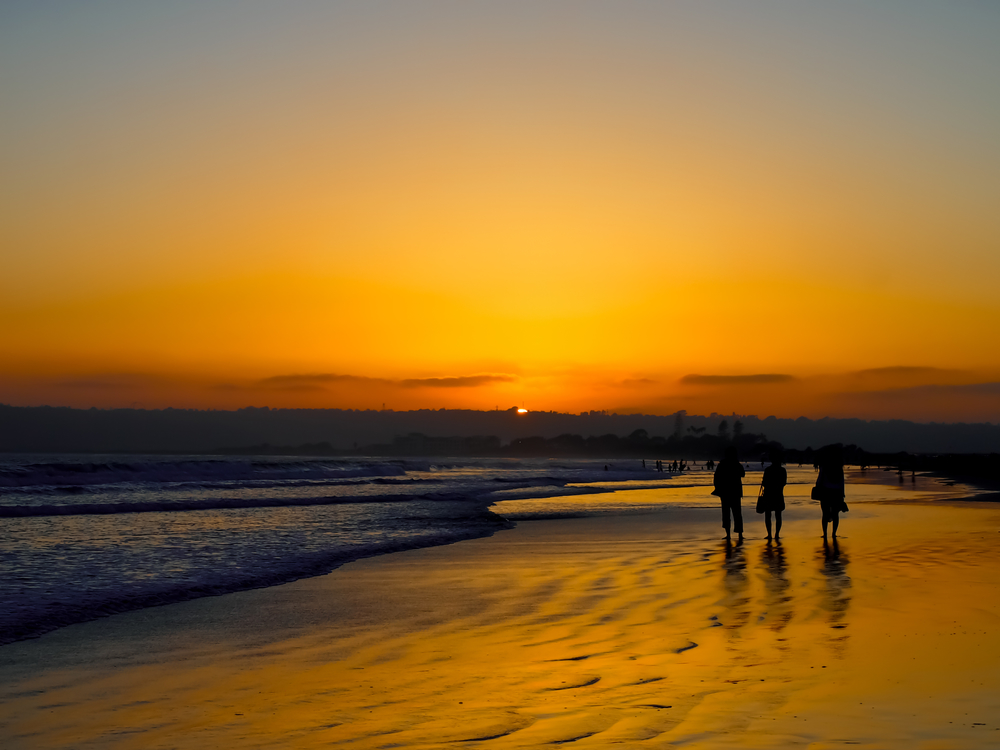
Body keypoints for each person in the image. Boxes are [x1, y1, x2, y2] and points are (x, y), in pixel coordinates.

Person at [713, 446, 745, 541]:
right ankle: (739, 534)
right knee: (737, 513)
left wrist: (717, 488)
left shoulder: (722, 464)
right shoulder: (737, 464)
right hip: (735, 491)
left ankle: (728, 535)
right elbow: (743, 474)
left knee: (726, 513)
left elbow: (716, 477)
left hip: (725, 492)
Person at [814, 444, 846, 539]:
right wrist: (842, 494)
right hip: (837, 493)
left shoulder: (824, 467)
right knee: (835, 514)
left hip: (826, 492)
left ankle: (825, 533)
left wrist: (817, 488)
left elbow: (819, 480)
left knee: (825, 513)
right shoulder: (839, 468)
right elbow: (842, 482)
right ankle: (834, 533)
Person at [756, 450, 787, 540]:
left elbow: (764, 483)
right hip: (778, 494)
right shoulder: (782, 470)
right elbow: (784, 483)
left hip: (768, 494)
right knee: (778, 515)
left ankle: (769, 534)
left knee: (768, 515)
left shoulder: (768, 470)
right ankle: (777, 534)